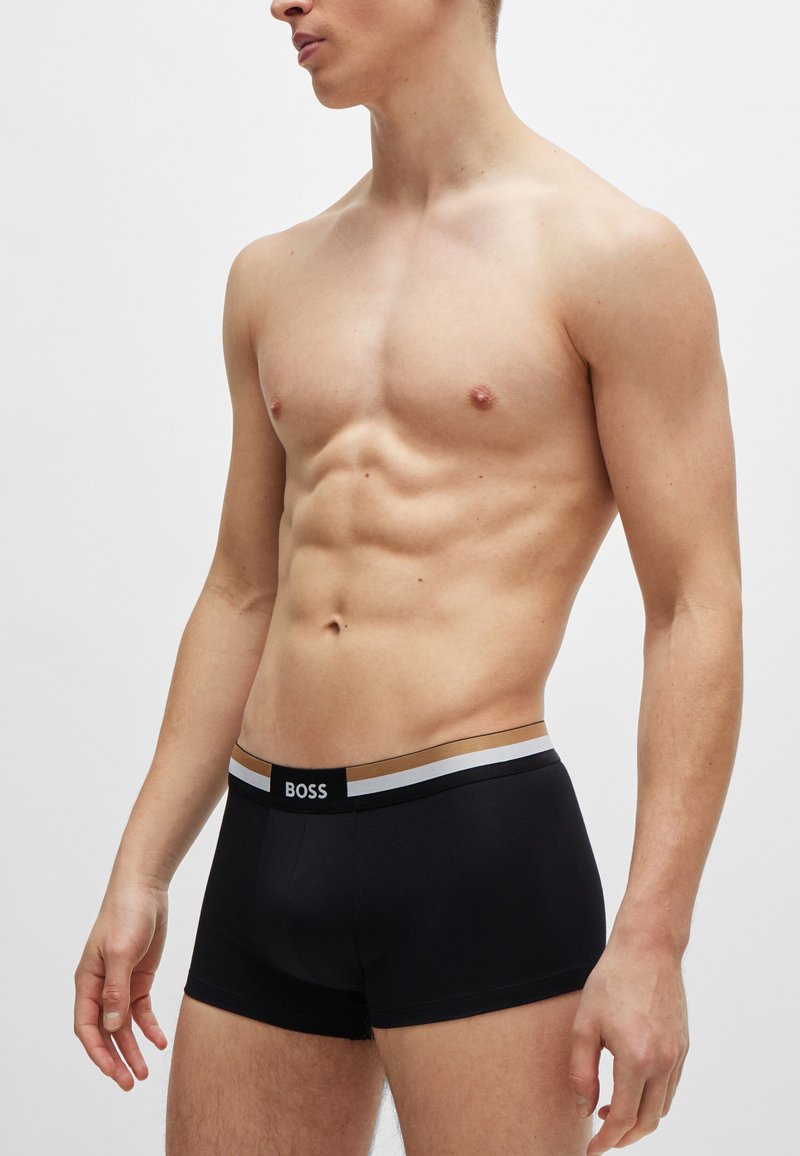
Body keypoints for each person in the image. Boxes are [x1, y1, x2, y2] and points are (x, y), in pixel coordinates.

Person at [73, 2, 743, 1153]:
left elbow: (693, 605)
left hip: (472, 847)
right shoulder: (271, 276)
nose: (281, 1)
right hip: (266, 846)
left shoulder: (612, 257)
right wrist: (141, 867)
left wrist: (653, 937)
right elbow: (241, 588)